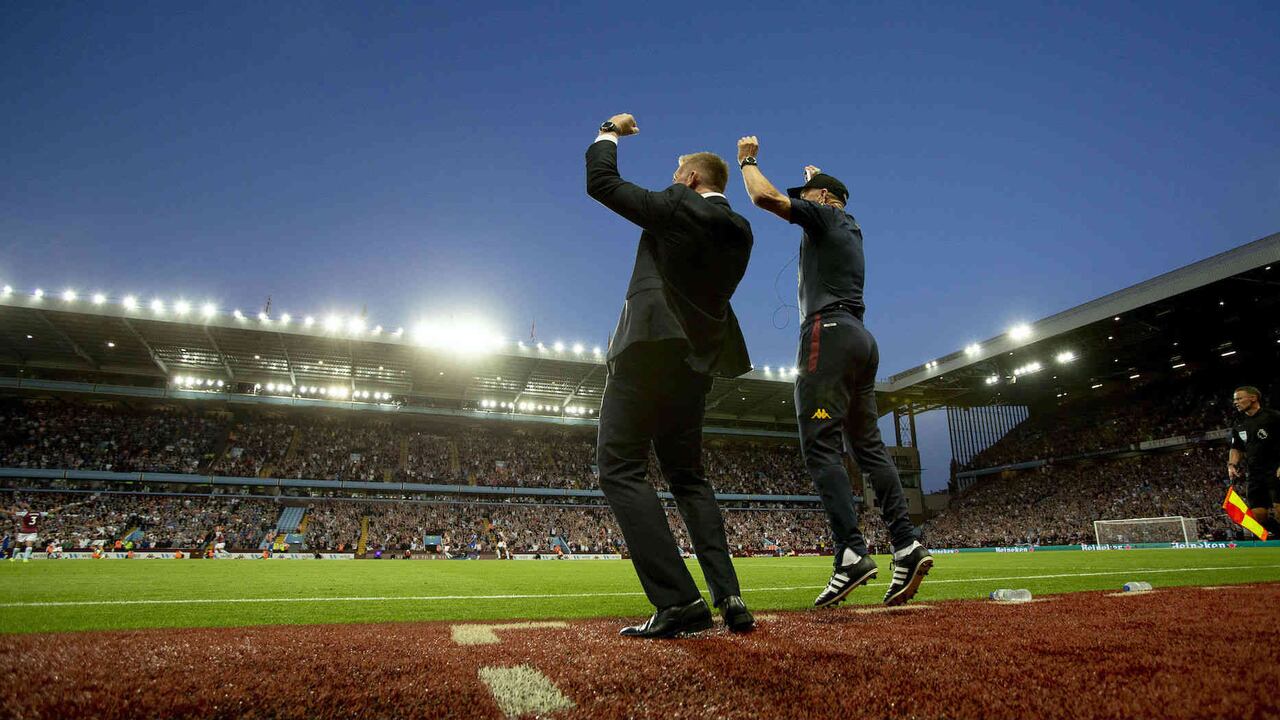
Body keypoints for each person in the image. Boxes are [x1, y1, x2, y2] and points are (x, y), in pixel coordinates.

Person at [736, 136, 932, 607]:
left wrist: (747, 160)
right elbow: (819, 199)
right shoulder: (849, 224)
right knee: (867, 448)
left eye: (807, 197)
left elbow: (764, 197)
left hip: (827, 333)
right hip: (861, 338)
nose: (799, 202)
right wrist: (814, 182)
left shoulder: (823, 214)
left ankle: (850, 551)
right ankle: (905, 544)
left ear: (823, 201)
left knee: (820, 444)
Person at [586, 113, 755, 637]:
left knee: (619, 467)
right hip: (696, 363)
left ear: (689, 179)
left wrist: (607, 132)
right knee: (689, 478)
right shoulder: (742, 231)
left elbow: (603, 184)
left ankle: (679, 601)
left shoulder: (679, 206)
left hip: (647, 351)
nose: (673, 175)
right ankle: (729, 594)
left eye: (677, 170)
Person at [1228, 386, 1280, 534]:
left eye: (1239, 398)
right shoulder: (1238, 423)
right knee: (1258, 515)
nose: (1236, 402)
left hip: (1275, 469)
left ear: (1253, 398)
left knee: (1279, 510)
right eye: (1234, 399)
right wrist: (1232, 464)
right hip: (1255, 473)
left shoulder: (1273, 416)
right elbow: (1236, 447)